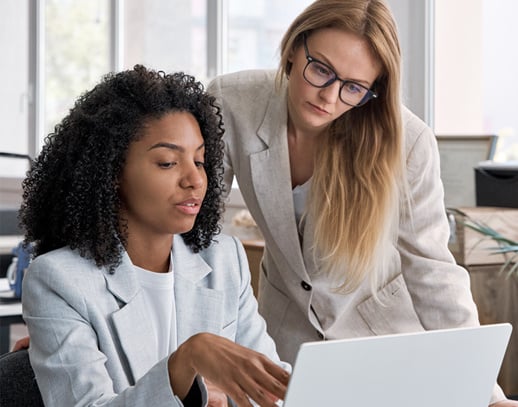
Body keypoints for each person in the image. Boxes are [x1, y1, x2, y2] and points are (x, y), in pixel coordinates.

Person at [207, 0, 517, 405]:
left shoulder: (408, 142)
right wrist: (206, 360)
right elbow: (200, 236)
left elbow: (433, 272)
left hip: (384, 344)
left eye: (353, 87)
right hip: (282, 338)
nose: (329, 97)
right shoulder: (231, 101)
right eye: (320, 69)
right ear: (293, 47)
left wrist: (487, 394)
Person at [19, 65, 290, 407]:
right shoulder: (59, 281)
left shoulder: (224, 259)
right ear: (112, 171)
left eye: (201, 161)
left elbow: (271, 389)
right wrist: (187, 362)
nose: (195, 180)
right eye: (167, 163)